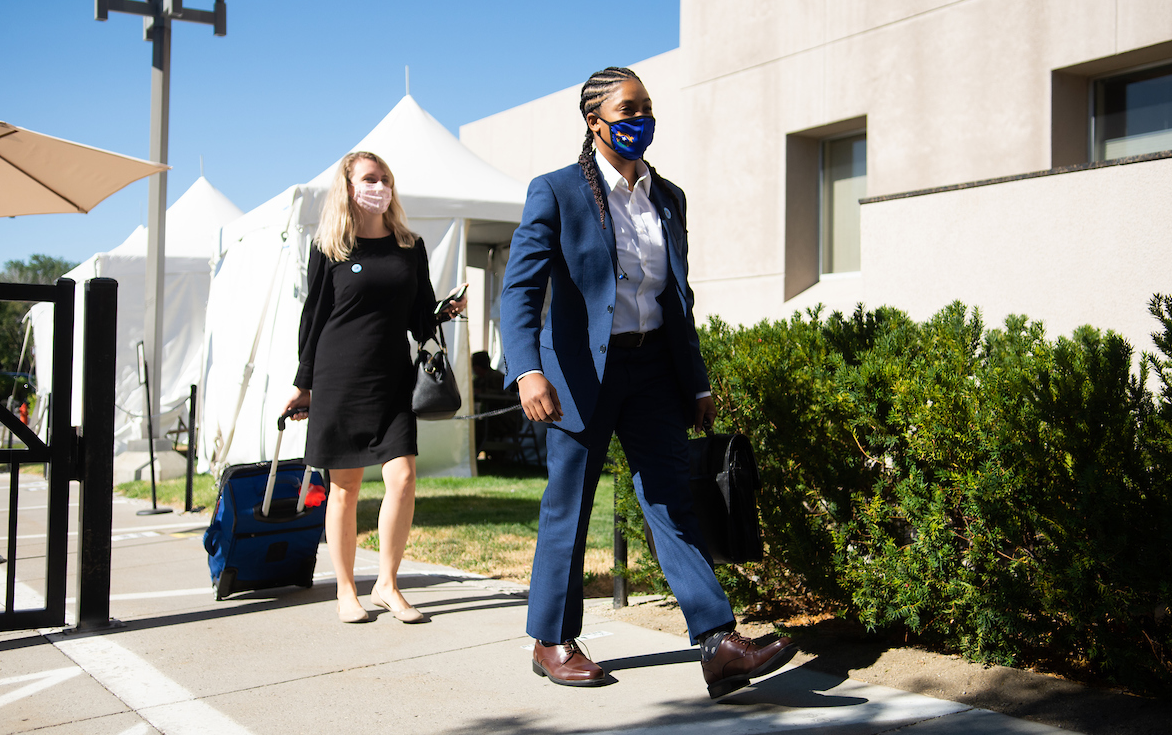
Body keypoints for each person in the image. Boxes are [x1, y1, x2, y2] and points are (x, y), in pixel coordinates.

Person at [500, 67, 796, 698]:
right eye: (627, 109)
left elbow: (677, 298)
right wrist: (527, 369)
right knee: (570, 506)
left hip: (654, 370)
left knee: (671, 501)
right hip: (578, 375)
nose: (641, 119)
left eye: (647, 108)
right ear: (594, 120)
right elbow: (521, 291)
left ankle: (718, 643)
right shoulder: (555, 192)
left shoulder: (668, 197)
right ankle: (551, 640)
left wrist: (696, 381)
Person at [283, 150, 464, 625]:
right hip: (339, 378)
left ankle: (387, 582)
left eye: (384, 178)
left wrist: (443, 312)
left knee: (402, 478)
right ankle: (346, 590)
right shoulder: (330, 247)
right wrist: (304, 386)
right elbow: (314, 318)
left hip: (393, 378)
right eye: (369, 178)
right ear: (348, 187)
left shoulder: (409, 245)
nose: (379, 185)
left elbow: (417, 313)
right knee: (344, 488)